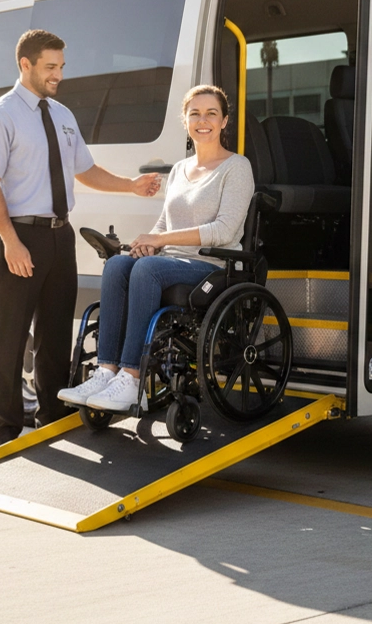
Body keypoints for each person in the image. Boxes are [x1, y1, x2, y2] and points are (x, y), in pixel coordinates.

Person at [0, 28, 161, 447]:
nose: (58, 74)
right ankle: (3, 430)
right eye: (50, 67)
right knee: (8, 336)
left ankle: (52, 415)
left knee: (56, 334)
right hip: (20, 235)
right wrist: (10, 241)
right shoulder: (0, 115)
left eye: (61, 66)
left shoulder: (61, 115)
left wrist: (130, 185)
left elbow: (85, 170)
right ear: (26, 65)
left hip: (61, 237)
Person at [59, 85, 255, 413]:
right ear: (185, 120)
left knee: (149, 268)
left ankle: (132, 377)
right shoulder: (179, 170)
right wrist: (145, 242)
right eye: (194, 113)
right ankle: (106, 371)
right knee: (119, 265)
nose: (202, 120)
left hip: (214, 267)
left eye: (211, 114)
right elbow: (163, 226)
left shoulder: (237, 168)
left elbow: (224, 232)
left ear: (224, 122)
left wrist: (160, 242)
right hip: (171, 262)